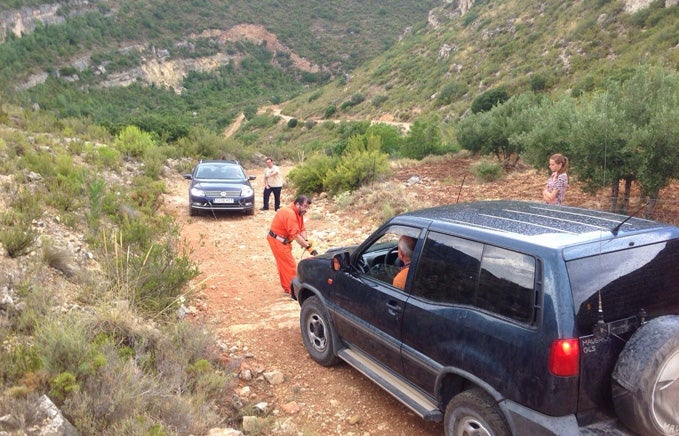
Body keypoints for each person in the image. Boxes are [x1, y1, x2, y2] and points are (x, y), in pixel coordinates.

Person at [267, 195, 317, 293]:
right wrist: (307, 246)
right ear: (297, 204)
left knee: (284, 265)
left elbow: (302, 229)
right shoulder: (289, 214)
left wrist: (307, 242)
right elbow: (296, 235)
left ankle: (288, 288)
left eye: (308, 207)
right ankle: (293, 291)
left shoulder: (298, 212)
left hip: (284, 241)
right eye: (305, 206)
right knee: (290, 265)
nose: (306, 210)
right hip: (277, 241)